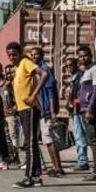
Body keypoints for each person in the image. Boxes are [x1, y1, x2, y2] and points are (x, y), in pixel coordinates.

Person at [7, 42, 48, 189]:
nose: (12, 57)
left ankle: (29, 177)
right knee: (33, 143)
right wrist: (15, 107)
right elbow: (22, 89)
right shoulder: (17, 67)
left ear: (20, 53)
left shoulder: (25, 62)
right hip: (23, 109)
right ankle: (36, 176)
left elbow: (44, 74)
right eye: (9, 55)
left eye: (14, 54)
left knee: (29, 143)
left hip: (30, 109)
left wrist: (33, 95)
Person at [31, 47, 65, 177]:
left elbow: (51, 91)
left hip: (47, 111)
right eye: (32, 55)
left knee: (51, 140)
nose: (34, 56)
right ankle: (55, 166)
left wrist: (52, 111)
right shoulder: (37, 70)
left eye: (36, 54)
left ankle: (58, 168)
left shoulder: (45, 69)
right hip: (43, 111)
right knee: (47, 141)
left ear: (42, 55)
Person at [77, 45, 96, 182]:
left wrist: (89, 109)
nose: (83, 58)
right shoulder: (85, 71)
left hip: (92, 110)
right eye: (80, 56)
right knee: (91, 140)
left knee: (94, 141)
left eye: (85, 55)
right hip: (85, 110)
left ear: (91, 55)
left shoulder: (95, 69)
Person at [66, 56, 89, 172]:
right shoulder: (73, 78)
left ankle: (83, 161)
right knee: (78, 136)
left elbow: (81, 94)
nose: (69, 67)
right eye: (67, 66)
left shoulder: (80, 76)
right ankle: (81, 160)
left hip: (78, 110)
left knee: (80, 136)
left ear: (76, 65)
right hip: (73, 110)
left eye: (71, 65)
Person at [0, 64, 21, 166]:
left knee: (13, 136)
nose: (8, 75)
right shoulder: (6, 85)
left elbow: (20, 98)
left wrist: (14, 108)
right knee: (8, 136)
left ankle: (17, 157)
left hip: (12, 115)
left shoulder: (16, 83)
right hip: (5, 115)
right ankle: (12, 156)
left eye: (10, 72)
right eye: (7, 73)